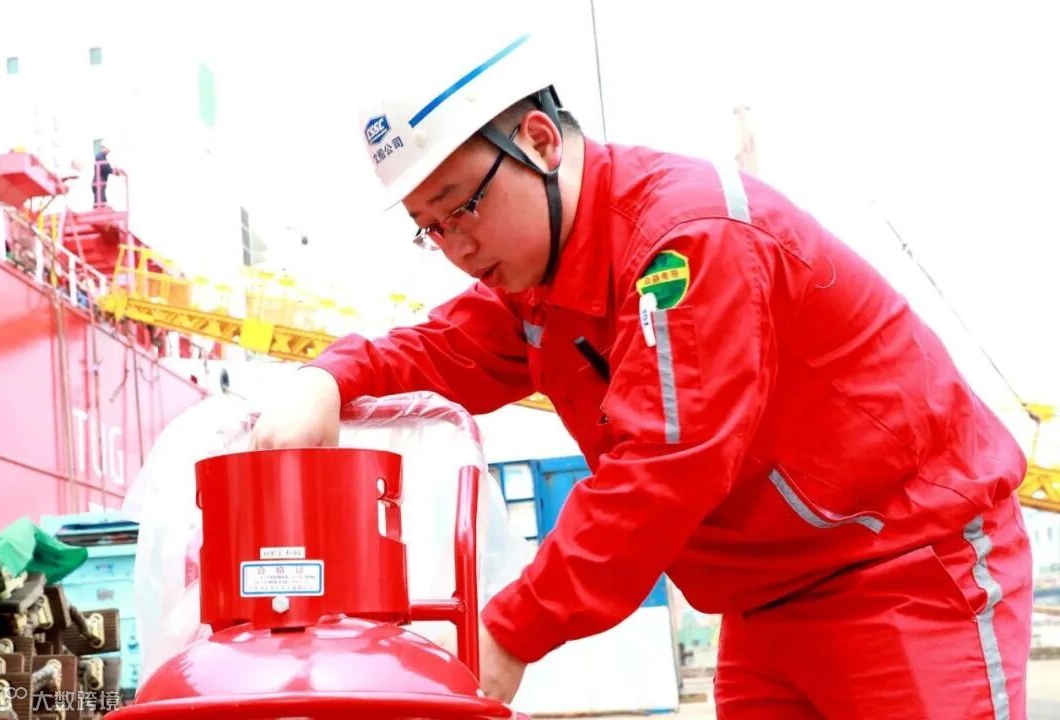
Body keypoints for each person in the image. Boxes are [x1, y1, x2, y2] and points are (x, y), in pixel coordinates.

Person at [251, 30, 1032, 718]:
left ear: (539, 141)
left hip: (903, 568)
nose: (457, 246)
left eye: (464, 208)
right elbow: (443, 347)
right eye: (430, 229)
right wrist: (327, 378)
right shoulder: (541, 286)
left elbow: (666, 464)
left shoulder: (688, 241)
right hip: (764, 605)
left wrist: (511, 631)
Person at [91, 142, 121, 207]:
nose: (108, 152)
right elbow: (105, 167)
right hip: (98, 183)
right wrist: (113, 171)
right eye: (108, 150)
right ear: (103, 147)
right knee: (100, 203)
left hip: (100, 183)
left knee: (101, 202)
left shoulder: (103, 157)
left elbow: (106, 167)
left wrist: (113, 171)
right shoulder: (99, 156)